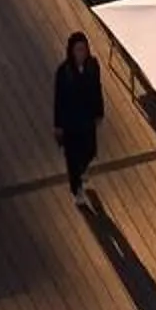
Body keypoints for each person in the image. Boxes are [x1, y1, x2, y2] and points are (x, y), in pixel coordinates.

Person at [53, 30, 104, 204]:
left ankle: (82, 171)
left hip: (88, 118)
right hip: (70, 121)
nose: (82, 53)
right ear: (71, 51)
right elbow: (58, 99)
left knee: (90, 150)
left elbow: (97, 89)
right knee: (72, 157)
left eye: (84, 49)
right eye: (78, 49)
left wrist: (99, 112)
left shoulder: (93, 65)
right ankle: (76, 191)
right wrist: (58, 124)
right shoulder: (64, 71)